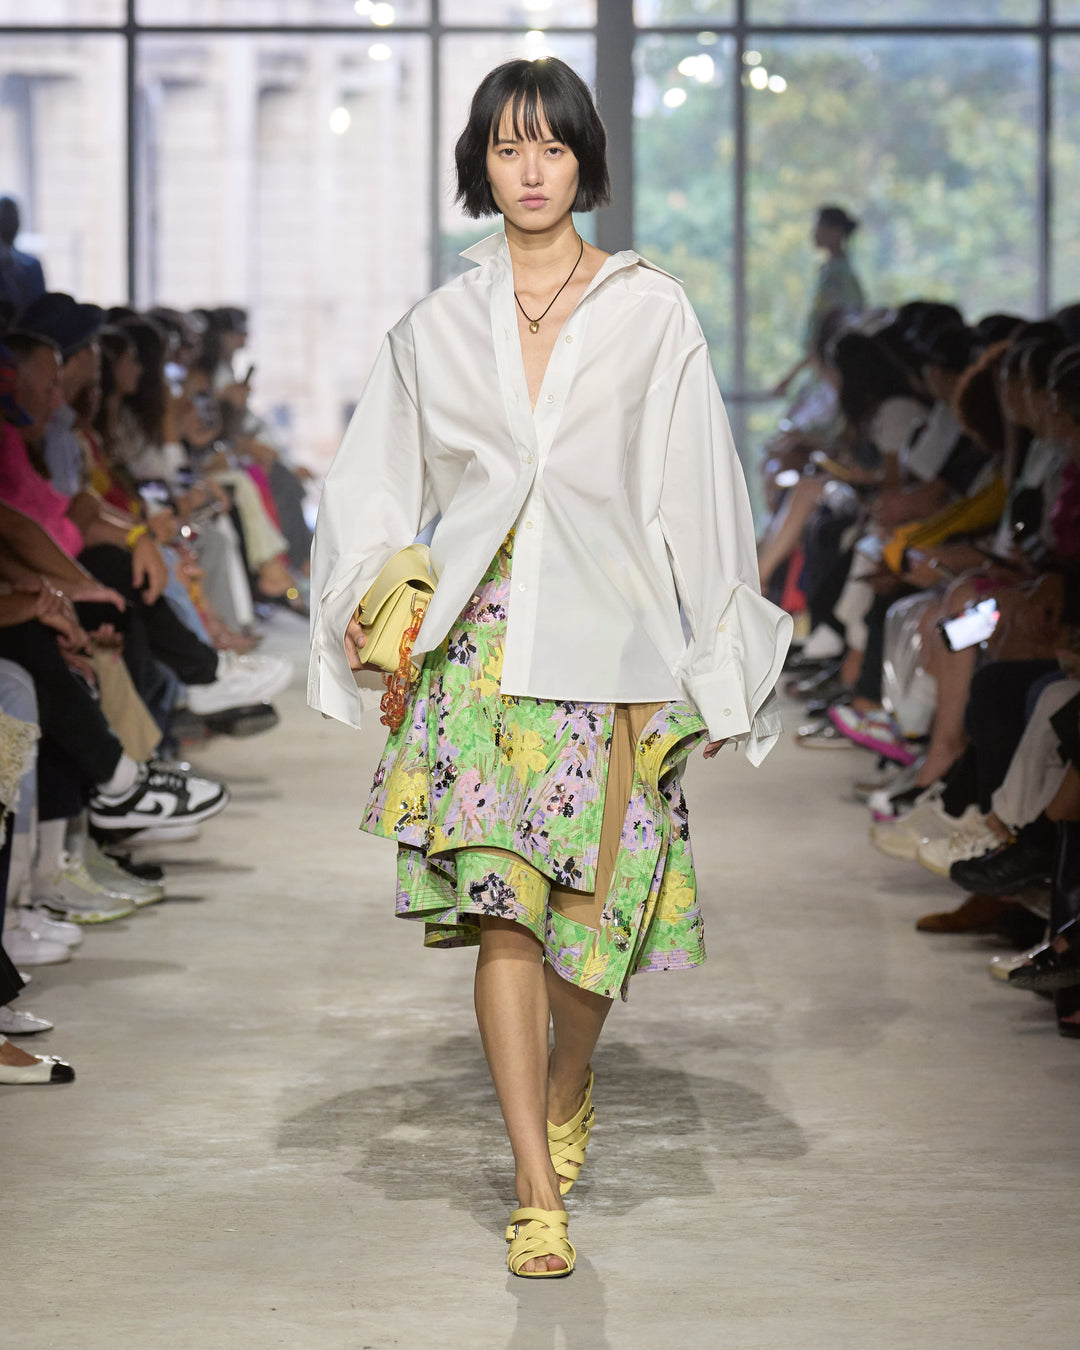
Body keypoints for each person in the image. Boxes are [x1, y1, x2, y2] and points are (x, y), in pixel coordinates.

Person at [309, 57, 791, 1278]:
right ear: (480, 162)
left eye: (554, 146)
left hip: (613, 647)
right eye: (508, 146)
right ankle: (535, 1185)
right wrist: (376, 603)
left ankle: (571, 1084)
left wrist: (717, 663)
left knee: (592, 928)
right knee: (504, 920)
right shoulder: (435, 326)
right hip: (479, 650)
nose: (531, 170)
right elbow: (371, 487)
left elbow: (698, 491)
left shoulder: (651, 311)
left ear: (586, 161)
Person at [774, 203, 866, 398]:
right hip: (823, 371)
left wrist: (790, 377)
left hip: (831, 374)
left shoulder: (838, 277)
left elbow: (828, 333)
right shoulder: (831, 272)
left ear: (836, 231)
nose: (814, 233)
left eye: (819, 227)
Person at [0, 196, 46, 313]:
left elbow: (40, 306)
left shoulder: (32, 265)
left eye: (13, 217)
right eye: (5, 218)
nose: (10, 223)